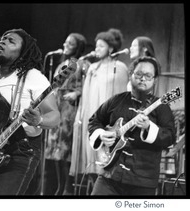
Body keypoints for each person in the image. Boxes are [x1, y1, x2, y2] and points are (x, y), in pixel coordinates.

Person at [0, 28, 60, 195]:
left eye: (11, 41)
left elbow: (55, 116)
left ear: (22, 53)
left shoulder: (33, 77)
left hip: (21, 152)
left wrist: (39, 121)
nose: (2, 42)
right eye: (2, 39)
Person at [88, 56, 176, 195]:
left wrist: (149, 127)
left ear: (155, 80)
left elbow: (170, 137)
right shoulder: (117, 100)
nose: (143, 79)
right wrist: (101, 134)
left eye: (148, 76)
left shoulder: (162, 107)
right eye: (139, 74)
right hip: (109, 174)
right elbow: (94, 121)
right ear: (130, 75)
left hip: (142, 181)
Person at [70, 28, 129, 194]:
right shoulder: (92, 67)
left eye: (101, 46)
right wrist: (81, 118)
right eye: (96, 46)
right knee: (91, 164)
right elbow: (86, 97)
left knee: (106, 164)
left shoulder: (120, 67)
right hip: (92, 121)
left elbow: (122, 97)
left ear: (110, 48)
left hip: (109, 123)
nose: (96, 49)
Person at [44, 33, 89, 195]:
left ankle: (67, 188)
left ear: (77, 47)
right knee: (55, 150)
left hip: (71, 110)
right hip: (57, 108)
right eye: (66, 42)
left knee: (66, 148)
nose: (65, 44)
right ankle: (59, 186)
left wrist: (77, 93)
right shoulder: (61, 64)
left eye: (70, 43)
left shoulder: (84, 64)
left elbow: (88, 86)